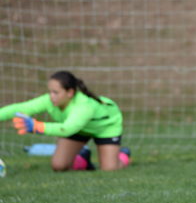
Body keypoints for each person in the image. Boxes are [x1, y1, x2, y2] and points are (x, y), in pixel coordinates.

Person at [0, 71, 131, 172]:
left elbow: (67, 129)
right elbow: (20, 108)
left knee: (109, 169)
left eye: (56, 92)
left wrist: (38, 126)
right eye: (50, 91)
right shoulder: (50, 100)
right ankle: (83, 158)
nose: (51, 96)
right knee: (59, 166)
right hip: (79, 129)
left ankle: (123, 154)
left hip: (105, 128)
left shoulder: (84, 105)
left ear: (70, 93)